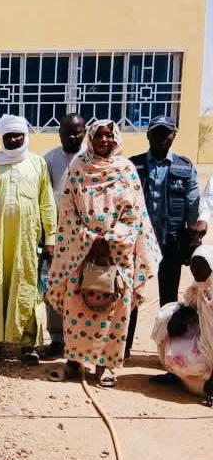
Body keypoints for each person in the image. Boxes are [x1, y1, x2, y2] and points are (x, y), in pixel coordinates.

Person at [47, 120, 161, 387]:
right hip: (80, 252)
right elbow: (68, 211)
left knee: (112, 309)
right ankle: (74, 361)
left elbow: (134, 214)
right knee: (77, 305)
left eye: (109, 135)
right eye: (99, 135)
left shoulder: (126, 170)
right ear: (91, 138)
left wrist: (109, 241)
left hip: (117, 254)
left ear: (116, 138)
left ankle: (105, 365)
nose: (105, 140)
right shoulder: (78, 167)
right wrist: (90, 240)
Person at [127, 116, 207, 359]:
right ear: (148, 135)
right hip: (137, 243)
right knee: (131, 296)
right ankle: (124, 349)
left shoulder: (185, 166)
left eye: (167, 132)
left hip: (171, 241)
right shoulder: (133, 165)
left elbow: (193, 204)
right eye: (157, 132)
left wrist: (193, 237)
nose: (162, 137)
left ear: (174, 135)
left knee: (169, 301)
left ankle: (167, 354)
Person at [0, 114, 56, 365]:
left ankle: (28, 344)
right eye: (8, 136)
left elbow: (47, 202)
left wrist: (51, 238)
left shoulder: (37, 163)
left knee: (27, 287)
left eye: (18, 135)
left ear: (26, 136)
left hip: (27, 239)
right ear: (1, 137)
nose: (14, 140)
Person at [40, 113, 86, 356]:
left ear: (85, 132)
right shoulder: (48, 159)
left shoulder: (93, 158)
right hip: (56, 235)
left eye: (77, 132)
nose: (72, 136)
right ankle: (57, 338)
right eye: (67, 132)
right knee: (54, 285)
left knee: (83, 287)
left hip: (85, 235)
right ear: (59, 134)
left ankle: (79, 339)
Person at [151, 246, 213, 401]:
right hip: (204, 345)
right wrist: (178, 319)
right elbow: (189, 304)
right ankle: (175, 375)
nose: (196, 271)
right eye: (194, 266)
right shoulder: (198, 287)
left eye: (202, 266)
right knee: (167, 315)